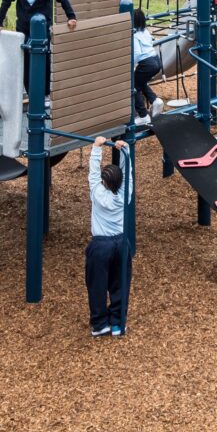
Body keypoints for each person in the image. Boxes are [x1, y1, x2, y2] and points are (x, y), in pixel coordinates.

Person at [0, 0, 77, 92]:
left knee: (45, 59)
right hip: (24, 29)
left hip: (43, 30)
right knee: (25, 60)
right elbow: (6, 3)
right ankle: (30, 91)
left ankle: (46, 93)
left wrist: (71, 16)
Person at [85, 136, 132, 337]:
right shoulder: (124, 194)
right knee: (120, 282)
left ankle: (99, 324)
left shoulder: (98, 193)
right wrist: (125, 152)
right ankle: (117, 323)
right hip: (121, 242)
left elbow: (93, 174)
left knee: (97, 284)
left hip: (101, 244)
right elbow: (129, 174)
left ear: (104, 182)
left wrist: (97, 148)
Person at [131, 9, 164, 126]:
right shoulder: (145, 31)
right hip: (156, 60)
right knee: (140, 82)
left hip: (147, 63)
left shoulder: (134, 35)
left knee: (134, 86)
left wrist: (131, 65)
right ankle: (155, 100)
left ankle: (143, 116)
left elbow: (137, 53)